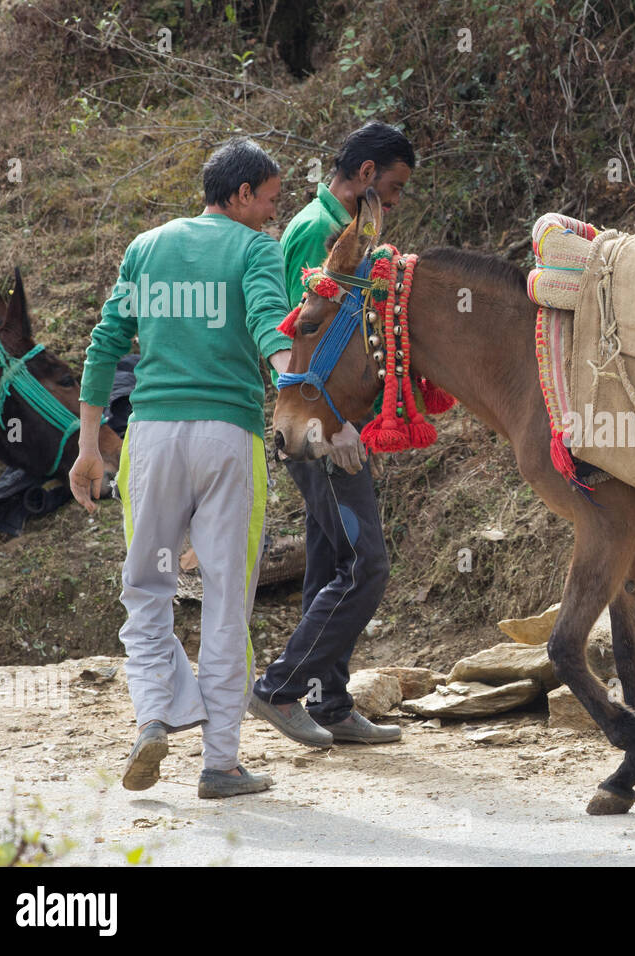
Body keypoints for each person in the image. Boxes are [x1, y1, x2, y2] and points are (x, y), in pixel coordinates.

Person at [69, 137, 294, 799]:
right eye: (270, 201)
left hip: (154, 438)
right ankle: (220, 765)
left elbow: (106, 342)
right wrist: (295, 386)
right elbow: (267, 324)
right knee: (227, 600)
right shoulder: (257, 250)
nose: (274, 216)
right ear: (241, 194)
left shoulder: (147, 247)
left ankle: (154, 716)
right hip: (227, 437)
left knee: (147, 587)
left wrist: (88, 448)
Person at [247, 122, 414, 747]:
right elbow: (297, 340)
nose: (393, 203)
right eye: (392, 187)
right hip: (318, 427)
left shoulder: (348, 231)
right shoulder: (317, 233)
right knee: (364, 564)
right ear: (366, 174)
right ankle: (280, 689)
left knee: (329, 563)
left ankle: (332, 702)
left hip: (329, 421)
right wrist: (338, 425)